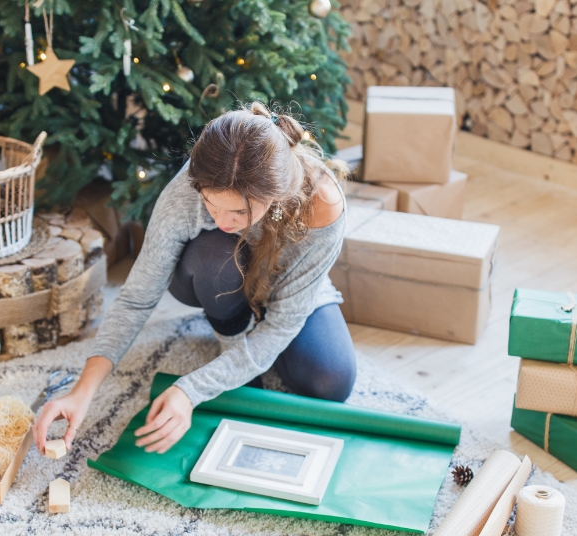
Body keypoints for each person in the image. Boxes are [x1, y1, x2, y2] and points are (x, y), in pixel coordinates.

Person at [33, 102, 356, 455]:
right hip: (214, 272)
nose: (221, 220)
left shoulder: (323, 205)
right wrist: (82, 391)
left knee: (332, 383)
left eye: (238, 212)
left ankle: (247, 343)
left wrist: (191, 390)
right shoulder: (188, 191)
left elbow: (282, 325)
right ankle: (233, 332)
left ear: (275, 197)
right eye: (211, 204)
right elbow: (136, 298)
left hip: (286, 288)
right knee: (214, 252)